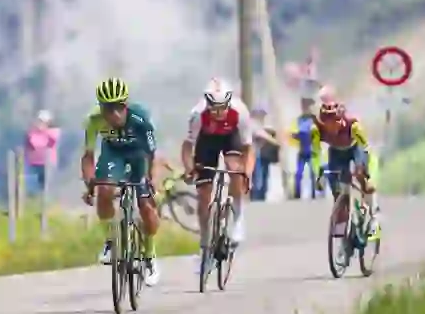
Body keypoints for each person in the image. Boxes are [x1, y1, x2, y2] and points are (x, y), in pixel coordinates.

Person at [80, 77, 162, 286]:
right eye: (108, 109)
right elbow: (88, 156)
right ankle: (111, 239)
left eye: (119, 107)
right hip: (113, 154)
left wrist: (152, 180)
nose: (114, 114)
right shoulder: (93, 120)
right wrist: (90, 183)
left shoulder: (141, 118)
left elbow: (153, 155)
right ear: (101, 108)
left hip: (139, 155)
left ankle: (150, 255)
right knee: (105, 191)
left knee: (146, 205)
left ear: (126, 105)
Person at [181, 78, 254, 272]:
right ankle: (205, 246)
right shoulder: (198, 114)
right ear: (207, 103)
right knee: (203, 196)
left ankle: (237, 216)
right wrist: (189, 168)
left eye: (223, 108)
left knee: (234, 167)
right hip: (207, 142)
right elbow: (188, 146)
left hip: (231, 139)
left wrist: (247, 172)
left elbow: (248, 148)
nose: (219, 113)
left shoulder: (240, 111)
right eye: (215, 108)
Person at [312, 85, 381, 239]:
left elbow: (367, 149)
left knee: (362, 176)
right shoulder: (316, 129)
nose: (331, 127)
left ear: (340, 119)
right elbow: (316, 153)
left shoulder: (353, 125)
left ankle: (374, 217)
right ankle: (342, 217)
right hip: (336, 152)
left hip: (356, 148)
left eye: (334, 122)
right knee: (337, 186)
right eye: (326, 123)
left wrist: (366, 174)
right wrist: (319, 174)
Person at [288, 95, 323, 199]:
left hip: (313, 151)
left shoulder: (316, 120)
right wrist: (297, 136)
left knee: (314, 173)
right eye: (304, 105)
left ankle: (315, 194)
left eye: (308, 105)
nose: (306, 107)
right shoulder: (299, 120)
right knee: (298, 174)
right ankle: (297, 194)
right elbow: (293, 133)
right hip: (302, 150)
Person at [24, 109, 60, 196]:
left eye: (43, 121)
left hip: (47, 164)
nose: (40, 124)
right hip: (34, 163)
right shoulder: (32, 133)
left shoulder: (53, 132)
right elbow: (30, 144)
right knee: (33, 187)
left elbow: (52, 142)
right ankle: (33, 202)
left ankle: (46, 204)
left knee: (46, 187)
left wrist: (44, 131)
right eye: (39, 121)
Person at [249, 106, 280, 201]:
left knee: (261, 174)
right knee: (257, 174)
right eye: (261, 115)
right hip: (253, 154)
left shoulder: (260, 124)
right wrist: (276, 142)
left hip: (259, 154)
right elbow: (261, 134)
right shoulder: (252, 124)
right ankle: (256, 195)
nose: (263, 117)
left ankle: (260, 194)